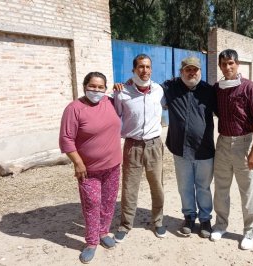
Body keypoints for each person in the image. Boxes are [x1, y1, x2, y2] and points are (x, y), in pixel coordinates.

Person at [59, 72, 122, 263]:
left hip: (112, 165)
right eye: (92, 86)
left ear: (105, 88)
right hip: (88, 169)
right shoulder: (74, 108)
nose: (96, 90)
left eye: (100, 87)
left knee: (109, 201)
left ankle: (103, 232)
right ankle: (91, 242)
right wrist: (78, 163)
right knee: (92, 203)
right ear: (85, 86)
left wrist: (120, 89)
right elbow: (66, 139)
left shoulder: (110, 102)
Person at [210, 49, 253, 250]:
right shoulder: (218, 89)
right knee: (221, 188)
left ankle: (250, 231)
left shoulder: (250, 89)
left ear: (238, 64)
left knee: (248, 191)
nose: (227, 67)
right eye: (224, 64)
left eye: (231, 63)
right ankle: (221, 225)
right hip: (223, 143)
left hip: (244, 145)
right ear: (219, 66)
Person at [113, 54, 166, 243]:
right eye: (141, 67)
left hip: (154, 145)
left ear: (151, 69)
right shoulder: (122, 93)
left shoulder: (159, 90)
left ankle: (158, 222)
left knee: (157, 186)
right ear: (134, 70)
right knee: (129, 187)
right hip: (132, 146)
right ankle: (126, 225)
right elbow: (112, 116)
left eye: (148, 67)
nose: (145, 70)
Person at [161, 57, 216, 238]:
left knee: (203, 187)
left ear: (200, 71)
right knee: (184, 186)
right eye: (188, 70)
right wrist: (130, 82)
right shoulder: (170, 88)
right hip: (180, 148)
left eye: (195, 70)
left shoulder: (209, 91)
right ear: (181, 71)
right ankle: (189, 217)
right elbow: (148, 88)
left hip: (204, 150)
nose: (192, 73)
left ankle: (205, 219)